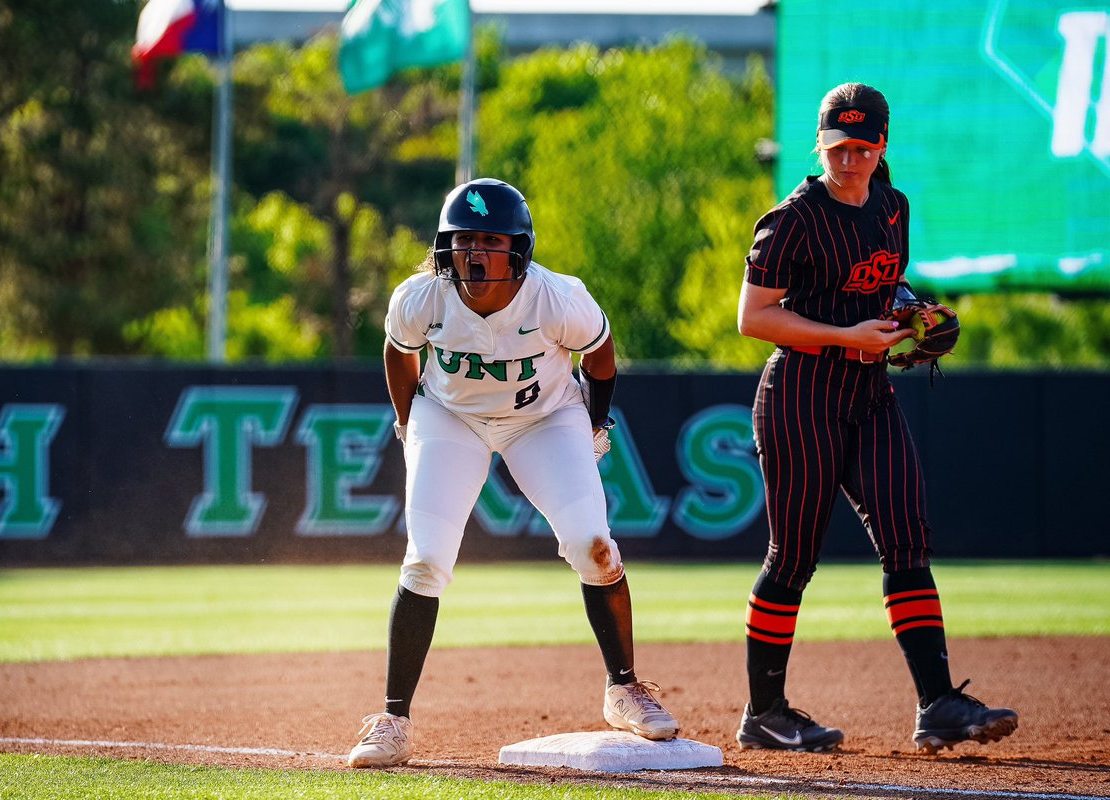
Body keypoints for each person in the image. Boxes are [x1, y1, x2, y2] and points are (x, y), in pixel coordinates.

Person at [347, 178, 680, 768]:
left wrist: (595, 424)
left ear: (519, 248)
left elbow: (599, 355)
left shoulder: (557, 297)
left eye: (491, 240)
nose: (475, 253)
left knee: (593, 544)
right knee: (425, 559)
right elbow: (399, 354)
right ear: (446, 246)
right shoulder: (421, 296)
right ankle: (393, 719)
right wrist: (408, 423)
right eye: (464, 239)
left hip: (544, 417)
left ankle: (624, 688)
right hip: (450, 417)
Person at [734, 83, 1018, 754]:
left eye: (862, 146)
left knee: (906, 537)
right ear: (820, 143)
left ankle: (938, 704)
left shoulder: (893, 207)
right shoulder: (793, 219)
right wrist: (850, 337)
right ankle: (765, 713)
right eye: (838, 146)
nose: (849, 158)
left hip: (866, 393)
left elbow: (885, 282)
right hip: (801, 395)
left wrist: (915, 310)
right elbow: (753, 318)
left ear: (882, 143)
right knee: (793, 557)